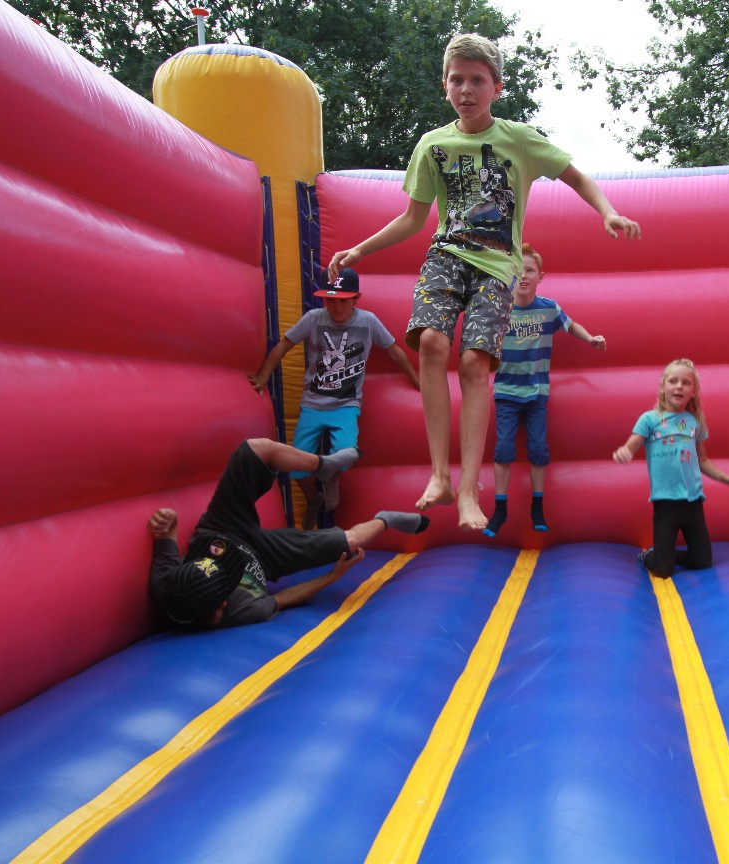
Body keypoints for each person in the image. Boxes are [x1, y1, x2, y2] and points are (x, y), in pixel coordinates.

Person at [325, 33, 640, 533]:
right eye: (457, 80)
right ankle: (440, 476)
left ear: (497, 87)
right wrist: (360, 249)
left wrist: (608, 211)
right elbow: (412, 218)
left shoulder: (519, 140)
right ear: (445, 85)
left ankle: (469, 488)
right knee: (431, 342)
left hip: (496, 266)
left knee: (474, 363)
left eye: (477, 80)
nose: (466, 89)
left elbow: (576, 176)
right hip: (446, 255)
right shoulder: (433, 145)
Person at [147, 438, 429, 628]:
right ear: (221, 606)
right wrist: (333, 576)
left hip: (219, 528)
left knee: (256, 449)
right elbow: (284, 598)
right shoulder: (241, 610)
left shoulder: (166, 585)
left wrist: (168, 520)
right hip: (264, 558)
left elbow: (167, 536)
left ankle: (322, 465)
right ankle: (385, 519)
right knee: (350, 542)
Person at [248, 267, 419, 528]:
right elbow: (283, 345)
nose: (336, 307)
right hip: (313, 404)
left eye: (343, 301)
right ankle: (314, 499)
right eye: (331, 301)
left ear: (356, 299)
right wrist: (262, 377)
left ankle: (331, 477)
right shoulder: (314, 319)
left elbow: (393, 350)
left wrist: (415, 378)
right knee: (296, 467)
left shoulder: (368, 322)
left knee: (346, 454)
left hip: (346, 405)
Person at [483, 243, 606, 538]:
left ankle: (537, 508)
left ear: (540, 276)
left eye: (530, 271)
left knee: (538, 449)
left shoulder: (549, 309)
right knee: (503, 449)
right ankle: (500, 509)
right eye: (518, 270)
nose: (523, 276)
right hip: (506, 391)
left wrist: (590, 338)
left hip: (537, 392)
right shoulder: (501, 309)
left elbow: (571, 325)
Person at [611, 359, 729, 578]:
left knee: (702, 561)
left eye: (686, 383)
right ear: (662, 386)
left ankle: (670, 554)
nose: (679, 386)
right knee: (662, 570)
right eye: (673, 381)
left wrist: (727, 478)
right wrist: (624, 451)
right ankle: (652, 555)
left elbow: (703, 460)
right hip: (665, 502)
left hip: (693, 501)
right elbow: (632, 445)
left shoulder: (694, 422)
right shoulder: (650, 419)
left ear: (693, 391)